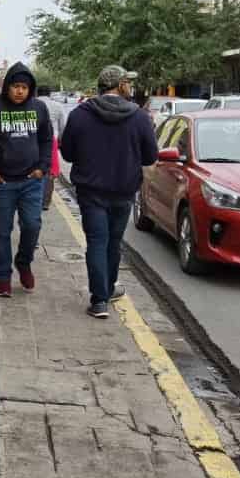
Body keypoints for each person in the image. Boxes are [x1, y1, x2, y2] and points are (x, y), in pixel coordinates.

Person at [60, 65, 158, 318]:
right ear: (121, 85)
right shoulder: (139, 117)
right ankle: (109, 287)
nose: (130, 87)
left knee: (96, 242)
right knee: (114, 242)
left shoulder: (80, 115)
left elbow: (67, 153)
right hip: (123, 191)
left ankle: (99, 301)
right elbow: (150, 157)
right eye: (128, 82)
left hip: (90, 191)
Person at [0, 62, 52, 297]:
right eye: (15, 86)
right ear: (7, 87)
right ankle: (3, 277)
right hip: (2, 182)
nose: (19, 91)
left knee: (32, 225)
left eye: (24, 87)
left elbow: (47, 139)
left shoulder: (39, 108)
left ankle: (23, 262)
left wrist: (42, 168)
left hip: (31, 181)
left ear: (30, 88)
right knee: (2, 231)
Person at [36, 86, 70, 210]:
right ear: (49, 94)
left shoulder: (32, 104)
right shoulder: (57, 106)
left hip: (32, 140)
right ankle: (45, 202)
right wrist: (60, 141)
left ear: (37, 93)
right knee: (49, 170)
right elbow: (63, 127)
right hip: (51, 141)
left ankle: (33, 199)